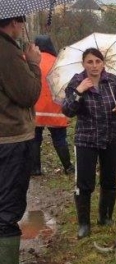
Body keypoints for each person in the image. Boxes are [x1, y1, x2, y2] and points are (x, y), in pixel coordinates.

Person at [62, 48, 116, 238]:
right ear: (83, 64)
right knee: (84, 182)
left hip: (111, 137)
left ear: (103, 63)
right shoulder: (77, 82)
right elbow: (68, 110)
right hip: (86, 140)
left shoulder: (111, 81)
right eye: (90, 62)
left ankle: (105, 217)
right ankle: (84, 224)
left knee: (109, 180)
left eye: (97, 61)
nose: (94, 66)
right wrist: (79, 92)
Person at [0, 15, 44, 264]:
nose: (24, 28)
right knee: (10, 202)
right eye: (22, 23)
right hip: (12, 138)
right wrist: (34, 65)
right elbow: (27, 93)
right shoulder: (7, 52)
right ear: (12, 23)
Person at [31, 34, 72, 176]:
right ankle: (68, 167)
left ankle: (35, 169)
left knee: (35, 139)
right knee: (60, 139)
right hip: (56, 107)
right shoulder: (58, 62)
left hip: (35, 108)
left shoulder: (31, 61)